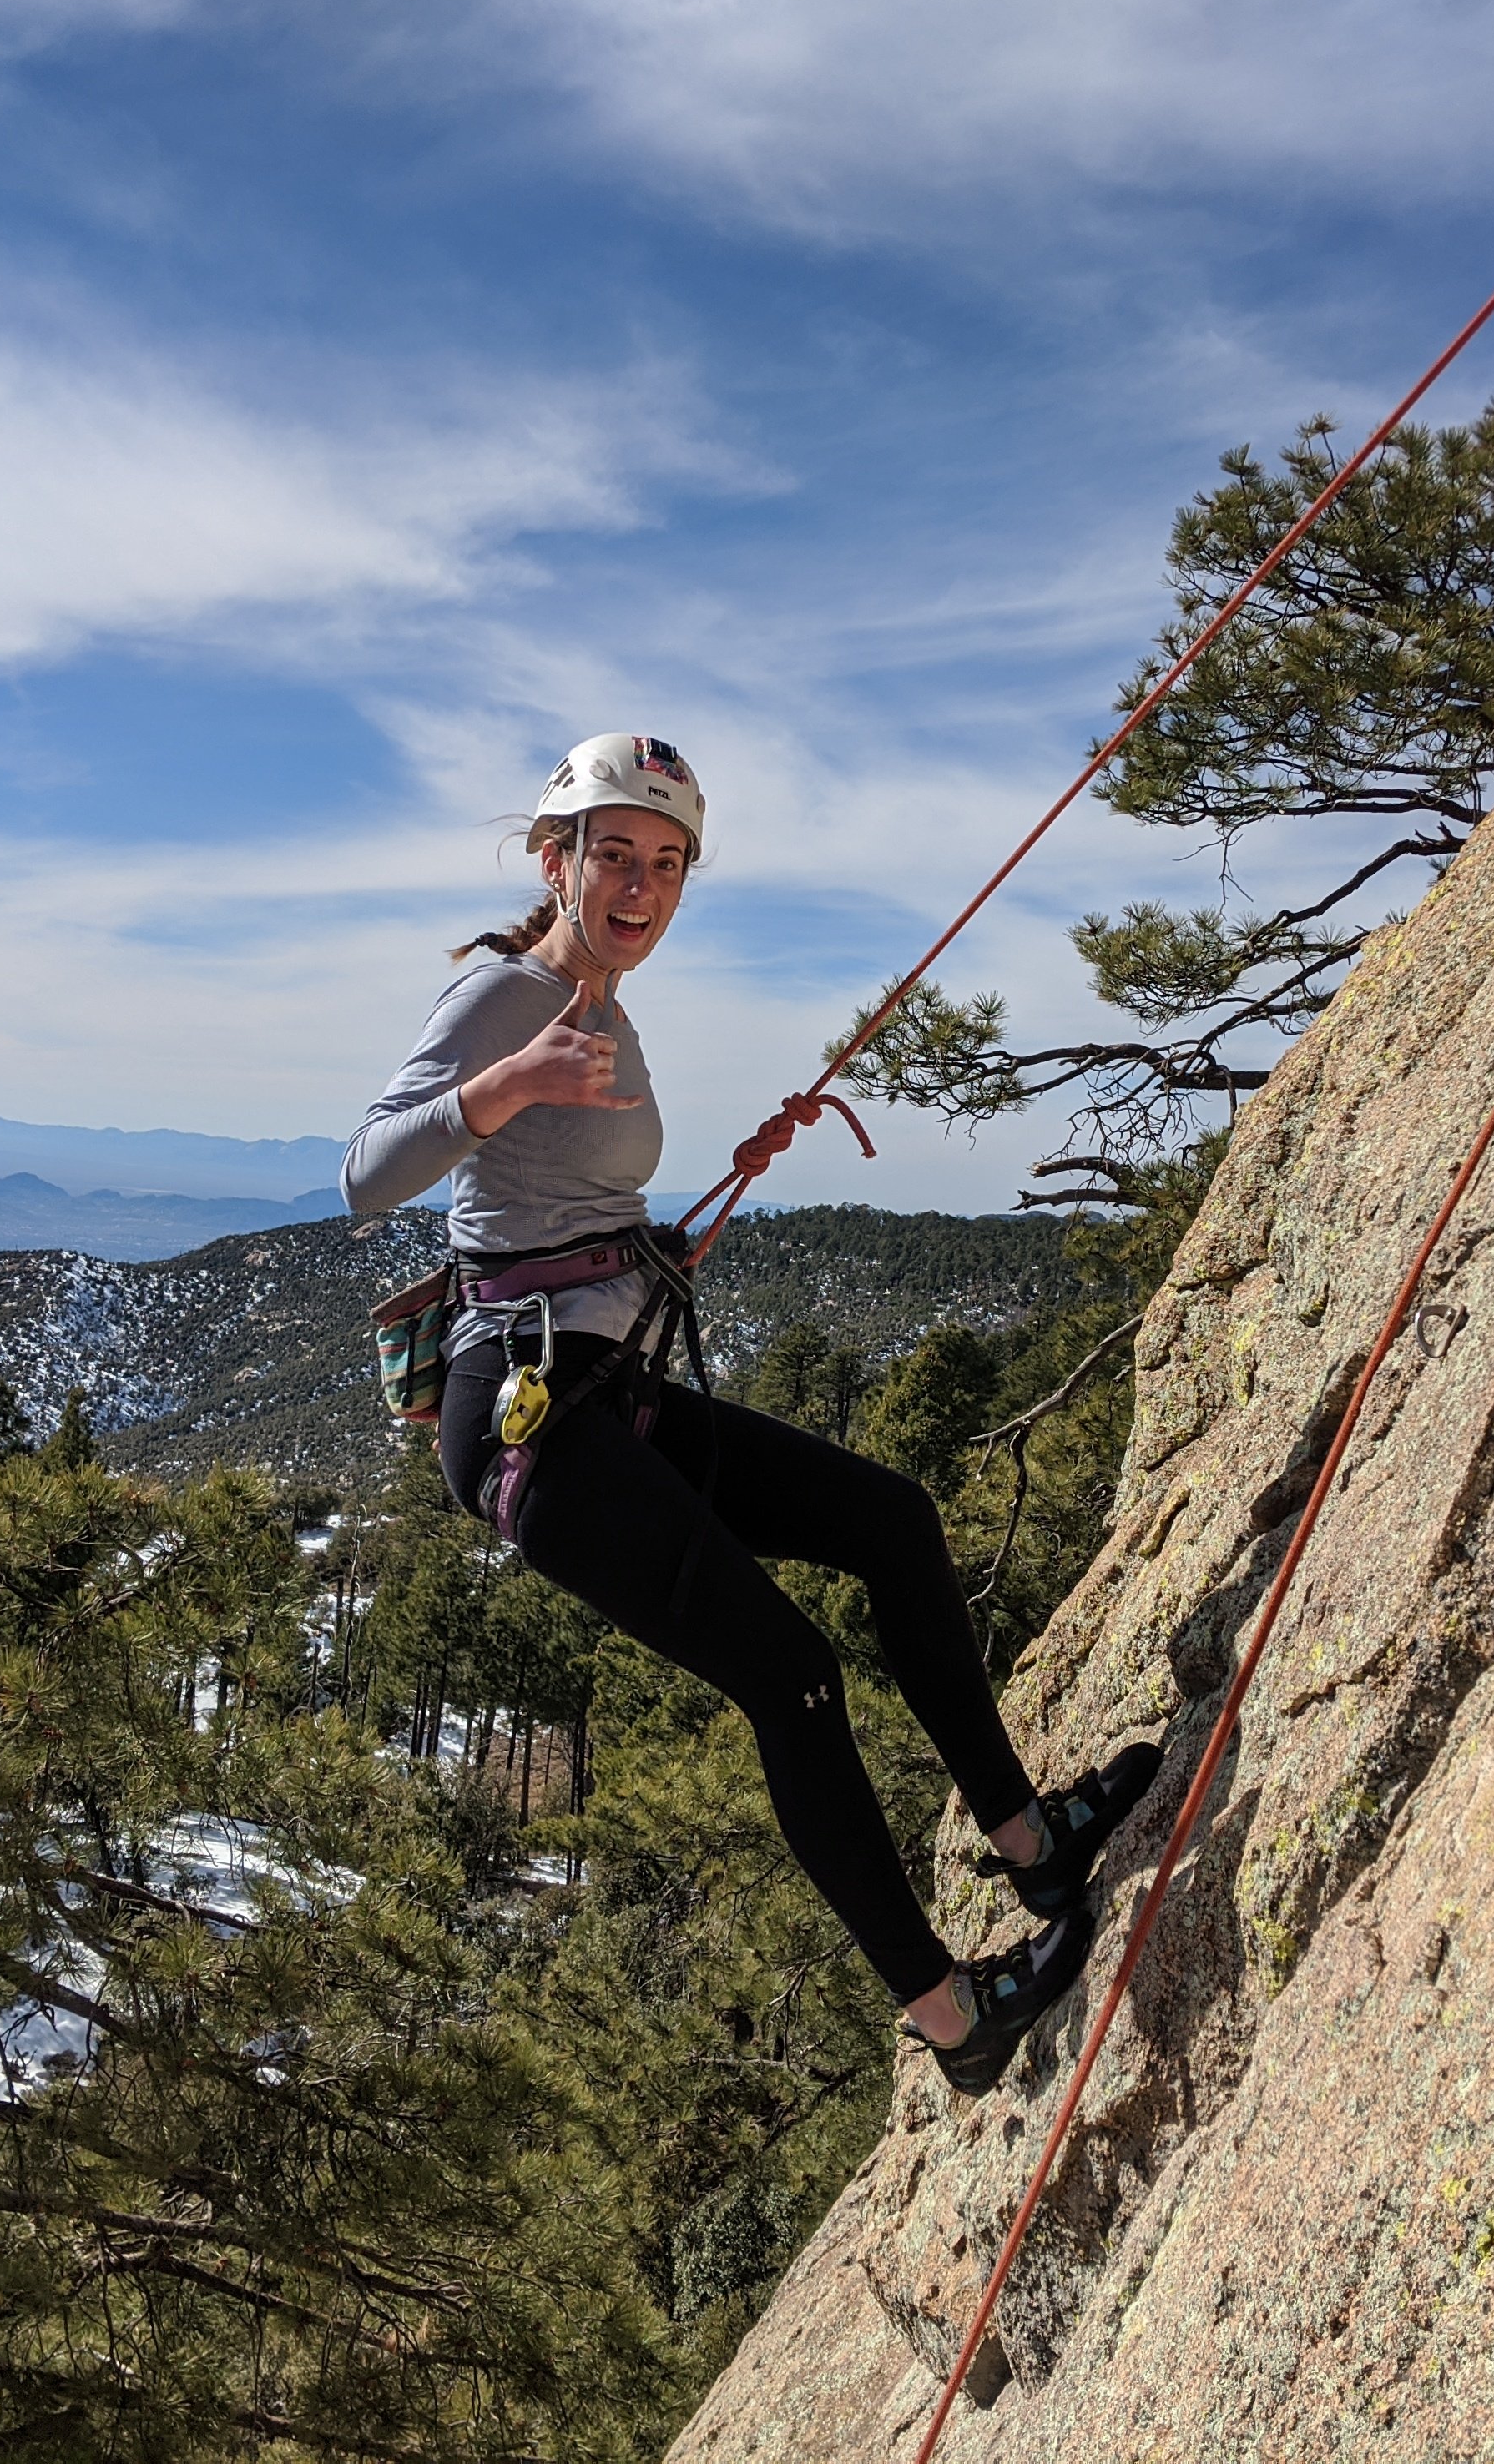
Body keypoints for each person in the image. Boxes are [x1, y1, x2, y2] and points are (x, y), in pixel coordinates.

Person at [341, 734, 1158, 2094]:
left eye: (667, 865)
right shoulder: (509, 995)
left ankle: (1033, 1843)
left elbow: (562, 1208)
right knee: (791, 1677)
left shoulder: (607, 1004)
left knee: (892, 1523)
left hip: (607, 1387)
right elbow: (367, 1172)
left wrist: (651, 1237)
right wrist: (509, 1085)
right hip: (527, 1422)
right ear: (558, 861)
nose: (642, 886)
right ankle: (952, 2016)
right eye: (615, 856)